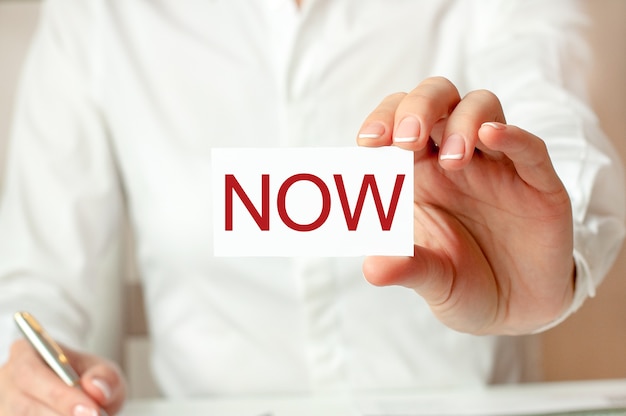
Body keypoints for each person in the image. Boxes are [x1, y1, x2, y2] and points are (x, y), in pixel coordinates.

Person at [0, 0, 624, 415]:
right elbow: (45, 284)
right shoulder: (97, 18)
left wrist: (560, 254)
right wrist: (31, 370)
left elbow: (551, 114)